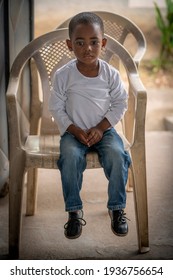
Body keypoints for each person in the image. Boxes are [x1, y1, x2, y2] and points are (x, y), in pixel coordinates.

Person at [49, 12, 131, 239]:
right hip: (73, 133)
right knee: (69, 157)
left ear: (103, 43)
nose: (88, 48)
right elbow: (56, 107)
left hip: (104, 131)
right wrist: (73, 129)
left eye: (94, 42)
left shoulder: (110, 74)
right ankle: (74, 211)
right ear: (69, 45)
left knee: (117, 155)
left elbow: (120, 103)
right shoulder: (63, 75)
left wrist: (101, 128)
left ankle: (117, 208)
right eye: (80, 42)